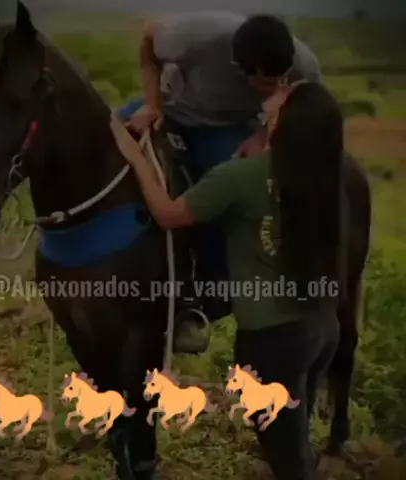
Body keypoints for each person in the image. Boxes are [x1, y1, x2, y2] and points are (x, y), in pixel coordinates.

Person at [110, 81, 342, 479]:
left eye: (287, 93)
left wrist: (135, 157)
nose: (280, 87)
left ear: (282, 120)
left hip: (271, 342)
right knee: (294, 434)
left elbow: (168, 214)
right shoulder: (320, 172)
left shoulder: (240, 177)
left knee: (287, 458)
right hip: (320, 325)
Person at [116, 12, 322, 353]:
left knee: (220, 196)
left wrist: (261, 135)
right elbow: (148, 38)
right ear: (239, 68)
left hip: (224, 127)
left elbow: (302, 100)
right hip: (173, 106)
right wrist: (152, 105)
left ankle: (200, 301)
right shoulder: (194, 36)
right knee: (103, 140)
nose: (278, 88)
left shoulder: (303, 63)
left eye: (283, 79)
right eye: (267, 84)